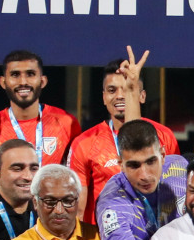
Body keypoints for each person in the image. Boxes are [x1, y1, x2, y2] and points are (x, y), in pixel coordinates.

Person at [70, 49, 179, 222]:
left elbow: (174, 191)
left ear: (142, 96)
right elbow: (78, 207)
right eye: (112, 90)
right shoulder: (84, 143)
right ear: (104, 97)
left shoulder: (164, 136)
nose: (120, 96)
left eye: (127, 89)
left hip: (152, 236)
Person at [0, 50, 80, 200]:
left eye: (30, 74)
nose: (23, 82)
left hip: (51, 217)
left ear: (43, 81)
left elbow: (77, 182)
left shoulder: (67, 123)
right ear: (3, 82)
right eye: (15, 75)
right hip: (4, 219)